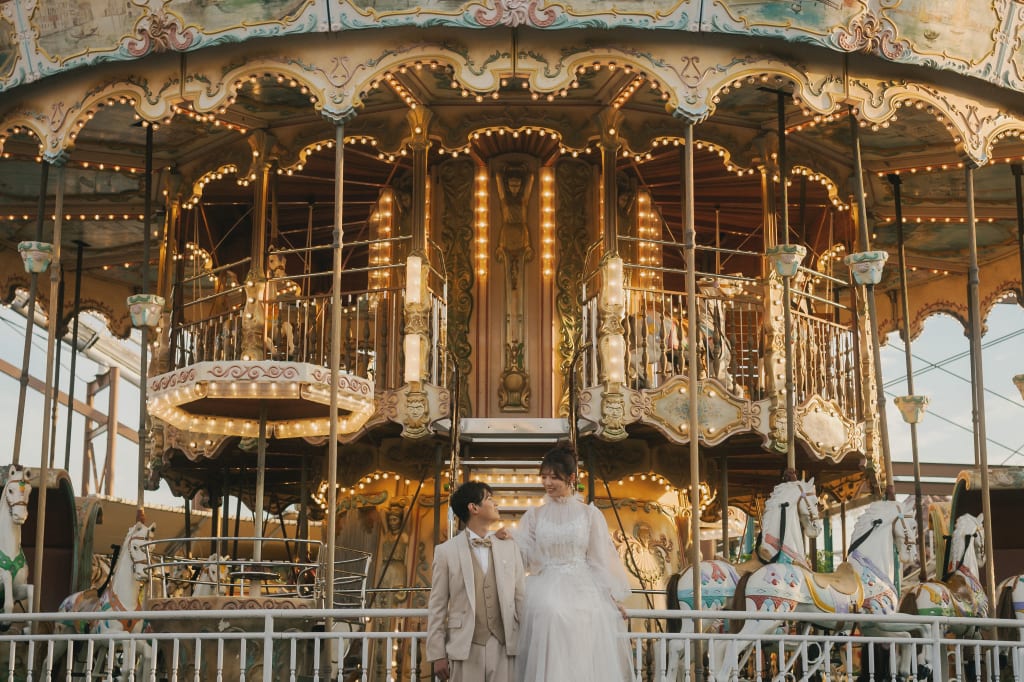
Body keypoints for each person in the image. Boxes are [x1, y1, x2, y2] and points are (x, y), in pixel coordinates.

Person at [514, 446, 633, 682]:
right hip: (544, 583)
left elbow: (599, 561)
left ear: (570, 478)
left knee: (581, 636)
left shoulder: (589, 515)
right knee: (550, 615)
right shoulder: (534, 516)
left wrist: (611, 598)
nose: (547, 482)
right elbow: (523, 553)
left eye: (554, 477)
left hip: (581, 585)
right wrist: (506, 539)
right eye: (544, 477)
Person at [427, 481, 526, 682]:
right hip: (465, 646)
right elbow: (437, 606)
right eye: (489, 499)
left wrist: (526, 641)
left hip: (504, 645)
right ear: (474, 508)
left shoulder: (509, 546)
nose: (496, 503)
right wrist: (437, 653)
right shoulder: (446, 552)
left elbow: (520, 598)